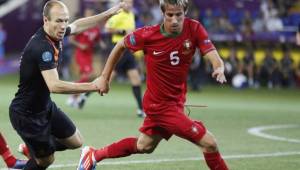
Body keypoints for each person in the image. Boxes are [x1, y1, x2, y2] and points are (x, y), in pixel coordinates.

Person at [77, 0, 229, 170]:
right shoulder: (148, 34)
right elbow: (120, 44)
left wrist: (219, 68)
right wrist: (104, 77)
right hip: (159, 107)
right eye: (169, 15)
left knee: (144, 146)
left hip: (176, 103)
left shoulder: (194, 28)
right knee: (209, 143)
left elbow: (212, 54)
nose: (174, 20)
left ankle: (93, 155)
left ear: (185, 12)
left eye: (178, 15)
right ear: (163, 13)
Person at [9, 1, 125, 170]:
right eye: (58, 21)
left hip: (44, 107)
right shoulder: (42, 47)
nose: (63, 26)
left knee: (76, 141)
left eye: (65, 20)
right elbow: (55, 86)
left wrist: (107, 14)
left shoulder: (56, 33)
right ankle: (39, 151)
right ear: (45, 20)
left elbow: (77, 26)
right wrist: (93, 85)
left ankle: (34, 149)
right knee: (46, 161)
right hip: (27, 115)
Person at [104, 0, 145, 117]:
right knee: (106, 79)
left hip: (128, 50)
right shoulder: (118, 15)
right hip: (118, 49)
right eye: (126, 2)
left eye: (130, 3)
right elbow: (107, 28)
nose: (129, 5)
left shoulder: (131, 14)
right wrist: (122, 31)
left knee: (136, 79)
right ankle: (84, 96)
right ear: (121, 3)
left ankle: (140, 109)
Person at [66, 8, 103, 109]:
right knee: (90, 75)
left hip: (89, 55)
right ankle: (73, 93)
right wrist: (80, 45)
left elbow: (97, 39)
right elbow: (71, 40)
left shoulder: (95, 28)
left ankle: (75, 96)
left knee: (89, 78)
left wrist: (101, 44)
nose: (88, 15)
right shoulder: (82, 26)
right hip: (80, 54)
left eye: (90, 13)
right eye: (87, 13)